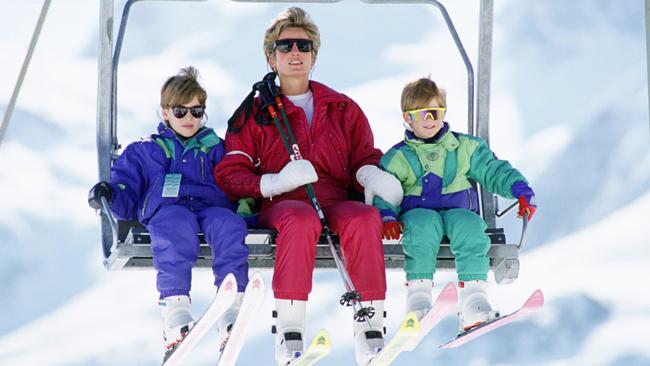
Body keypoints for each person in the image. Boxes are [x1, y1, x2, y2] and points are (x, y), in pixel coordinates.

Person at [213, 7, 403, 365]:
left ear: (315, 54)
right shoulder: (253, 115)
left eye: (303, 45)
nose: (295, 53)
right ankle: (290, 329)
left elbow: (364, 156)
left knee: (363, 218)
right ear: (271, 57)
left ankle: (371, 328)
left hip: (333, 198)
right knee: (300, 220)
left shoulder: (342, 108)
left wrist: (371, 176)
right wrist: (275, 182)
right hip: (283, 203)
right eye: (285, 46)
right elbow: (230, 173)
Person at [87, 66, 249, 358]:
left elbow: (236, 181)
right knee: (173, 228)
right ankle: (176, 314)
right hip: (169, 211)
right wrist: (110, 194)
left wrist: (249, 204)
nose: (190, 119)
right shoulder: (146, 151)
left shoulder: (216, 148)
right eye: (181, 111)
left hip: (209, 208)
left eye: (197, 112)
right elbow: (127, 191)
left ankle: (232, 311)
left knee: (229, 225)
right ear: (165, 112)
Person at [376, 77, 537, 331]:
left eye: (435, 112)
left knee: (471, 226)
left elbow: (492, 170)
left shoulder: (464, 148)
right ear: (408, 118)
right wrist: (387, 218)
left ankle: (474, 298)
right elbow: (384, 191)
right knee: (422, 226)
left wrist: (519, 190)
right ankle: (419, 298)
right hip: (418, 214)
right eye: (422, 114)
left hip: (457, 211)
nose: (430, 120)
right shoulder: (398, 158)